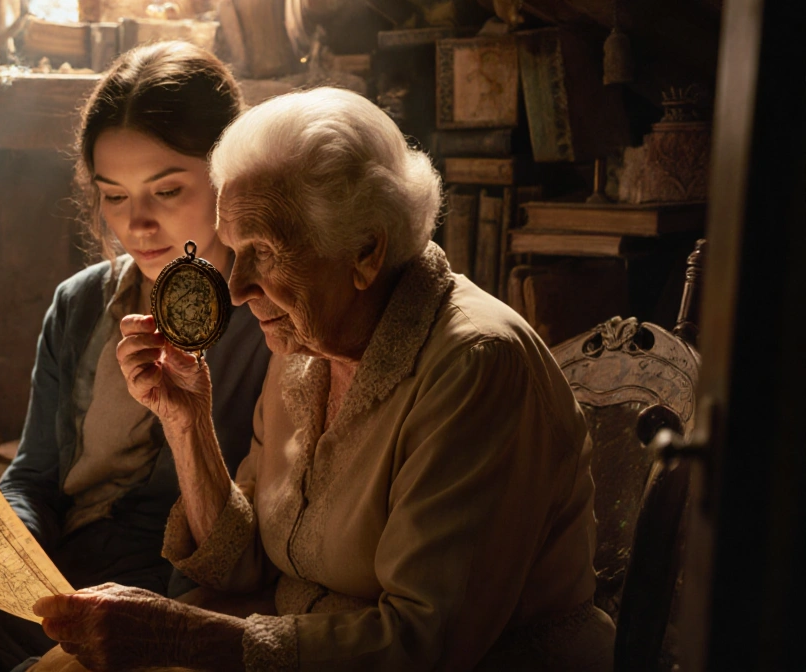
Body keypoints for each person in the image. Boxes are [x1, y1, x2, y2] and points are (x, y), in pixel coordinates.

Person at [30, 88, 616, 671]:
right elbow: (246, 564)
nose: (236, 288)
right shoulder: (307, 345)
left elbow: (425, 644)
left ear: (364, 251)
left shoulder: (476, 365)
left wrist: (189, 639)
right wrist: (188, 424)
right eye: (235, 251)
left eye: (263, 251)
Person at [0, 42, 271, 672]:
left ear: (227, 177)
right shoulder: (82, 304)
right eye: (113, 196)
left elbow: (254, 541)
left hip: (161, 586)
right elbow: (33, 472)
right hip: (58, 553)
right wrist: (2, 548)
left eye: (166, 190)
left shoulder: (268, 320)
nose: (136, 225)